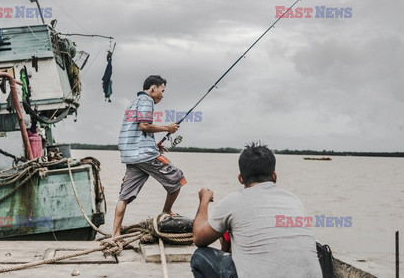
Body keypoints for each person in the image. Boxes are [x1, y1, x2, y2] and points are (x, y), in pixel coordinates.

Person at [191, 142, 322, 278]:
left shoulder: (233, 201)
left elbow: (199, 239)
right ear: (274, 176)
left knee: (200, 256)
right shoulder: (295, 201)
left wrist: (204, 200)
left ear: (241, 178)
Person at [113, 75, 187, 238]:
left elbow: (138, 130)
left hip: (131, 155)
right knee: (178, 178)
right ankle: (167, 211)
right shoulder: (147, 100)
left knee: (124, 196)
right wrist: (168, 127)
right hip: (144, 155)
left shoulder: (133, 103)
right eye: (162, 90)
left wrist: (155, 146)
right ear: (153, 88)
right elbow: (144, 126)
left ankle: (115, 234)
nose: (162, 95)